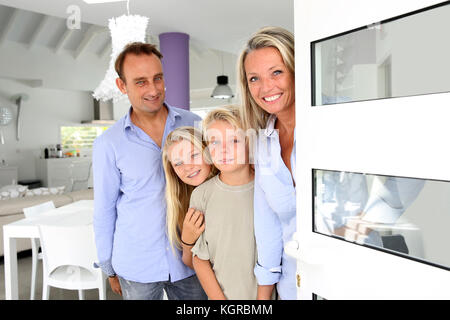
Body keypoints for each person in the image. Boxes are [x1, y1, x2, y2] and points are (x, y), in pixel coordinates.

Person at [92, 42, 207, 300]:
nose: (154, 89)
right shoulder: (108, 144)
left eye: (158, 78)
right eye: (141, 82)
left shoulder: (195, 124)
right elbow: (104, 209)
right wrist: (108, 266)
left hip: (191, 257)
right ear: (122, 86)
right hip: (136, 264)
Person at [237, 26, 296, 299]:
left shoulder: (334, 118)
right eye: (254, 78)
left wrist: (363, 223)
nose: (266, 87)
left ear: (296, 69)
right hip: (293, 284)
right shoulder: (262, 143)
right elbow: (268, 225)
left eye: (277, 72)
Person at [190, 106, 259, 300]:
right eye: (215, 142)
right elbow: (199, 258)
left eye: (234, 140)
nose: (223, 150)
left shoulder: (266, 189)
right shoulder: (201, 195)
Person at [162, 126, 218, 268]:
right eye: (178, 163)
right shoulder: (187, 200)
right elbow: (190, 263)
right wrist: (187, 241)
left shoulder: (229, 186)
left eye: (193, 155)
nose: (187, 167)